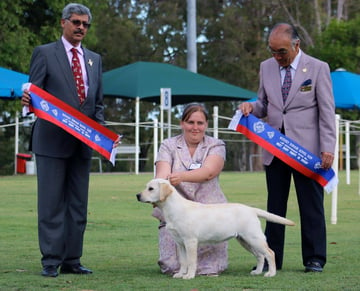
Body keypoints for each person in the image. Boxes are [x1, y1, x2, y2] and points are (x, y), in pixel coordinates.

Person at [21, 3, 119, 277]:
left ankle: (72, 259)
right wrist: (27, 102)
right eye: (76, 22)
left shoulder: (94, 59)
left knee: (78, 205)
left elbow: (97, 103)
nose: (81, 28)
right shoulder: (44, 53)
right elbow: (33, 94)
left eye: (85, 24)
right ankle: (51, 260)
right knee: (51, 204)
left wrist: (103, 136)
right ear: (63, 23)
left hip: (83, 143)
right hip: (51, 141)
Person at [239, 23, 336, 273]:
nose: (276, 57)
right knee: (274, 209)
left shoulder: (318, 68)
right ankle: (273, 258)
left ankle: (315, 258)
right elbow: (264, 104)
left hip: (308, 153)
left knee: (311, 207)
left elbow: (326, 112)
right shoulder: (266, 67)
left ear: (296, 45)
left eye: (281, 51)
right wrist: (251, 107)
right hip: (275, 150)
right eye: (272, 51)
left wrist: (328, 147)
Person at [153, 103, 228, 276]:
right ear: (182, 123)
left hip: (210, 217)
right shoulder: (168, 145)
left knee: (209, 268)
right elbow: (162, 175)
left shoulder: (216, 145)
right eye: (190, 122)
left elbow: (209, 172)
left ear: (206, 125)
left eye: (200, 123)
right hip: (176, 215)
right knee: (171, 267)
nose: (195, 127)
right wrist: (157, 191)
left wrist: (181, 176)